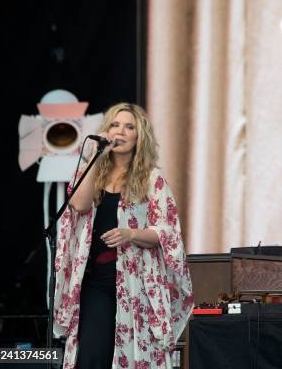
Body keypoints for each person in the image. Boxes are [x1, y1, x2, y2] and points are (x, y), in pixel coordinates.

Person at [53, 103, 194, 368]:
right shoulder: (92, 172)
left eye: (129, 127)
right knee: (92, 356)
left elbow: (168, 232)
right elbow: (80, 204)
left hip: (135, 282)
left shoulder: (152, 178)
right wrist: (96, 155)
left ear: (140, 136)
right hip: (96, 281)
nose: (121, 131)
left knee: (131, 357)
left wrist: (131, 233)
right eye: (115, 125)